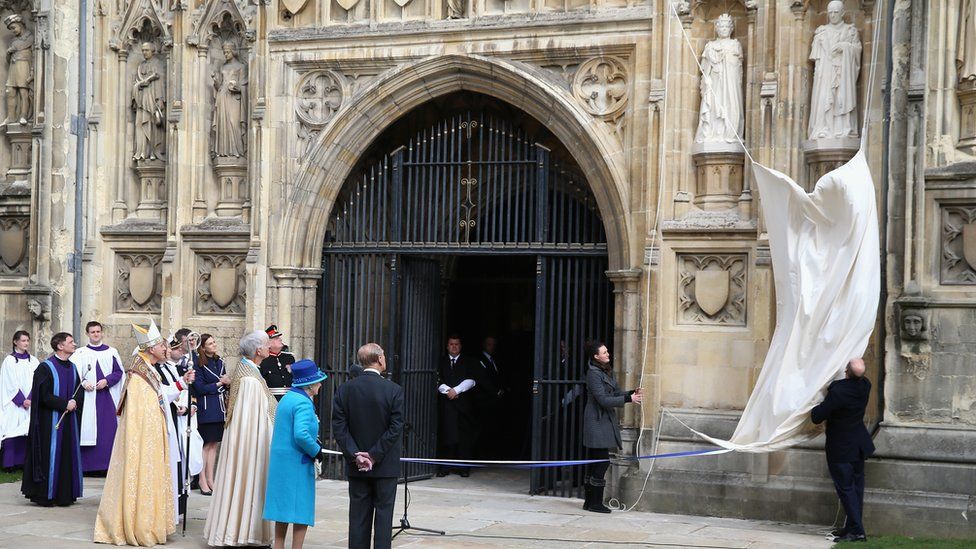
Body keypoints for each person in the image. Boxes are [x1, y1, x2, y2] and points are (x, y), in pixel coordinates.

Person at [94, 319, 195, 545]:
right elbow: (143, 410)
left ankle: (148, 521)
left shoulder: (149, 369)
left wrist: (181, 383)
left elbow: (159, 396)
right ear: (151, 349)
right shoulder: (139, 373)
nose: (166, 349)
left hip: (153, 434)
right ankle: (139, 525)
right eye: (162, 346)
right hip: (143, 438)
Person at [204, 330, 278, 547]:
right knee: (248, 481)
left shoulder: (249, 371)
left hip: (247, 441)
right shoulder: (249, 380)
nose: (269, 347)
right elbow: (253, 420)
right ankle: (244, 534)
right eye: (266, 344)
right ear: (258, 350)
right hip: (249, 446)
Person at [332, 343, 404, 549]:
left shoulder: (345, 389)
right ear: (380, 359)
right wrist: (373, 455)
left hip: (357, 465)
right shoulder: (394, 390)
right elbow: (395, 427)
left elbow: (339, 427)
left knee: (358, 519)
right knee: (383, 520)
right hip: (385, 465)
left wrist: (357, 455)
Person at [264, 359, 328, 549]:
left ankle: (279, 546)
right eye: (318, 381)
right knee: (301, 511)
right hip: (297, 463)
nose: (320, 384)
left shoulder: (288, 397)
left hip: (282, 462)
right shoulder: (303, 403)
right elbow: (301, 434)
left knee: (282, 509)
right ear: (310, 385)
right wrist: (316, 451)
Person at [811, 358, 875, 543]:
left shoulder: (838, 391)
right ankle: (852, 527)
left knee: (846, 489)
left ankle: (857, 532)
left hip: (841, 447)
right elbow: (851, 381)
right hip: (858, 445)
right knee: (856, 489)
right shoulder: (865, 385)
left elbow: (817, 416)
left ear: (846, 371)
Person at [21, 332, 84, 506]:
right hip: (50, 423)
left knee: (66, 456)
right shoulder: (45, 367)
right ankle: (46, 494)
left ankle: (65, 494)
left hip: (68, 421)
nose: (75, 344)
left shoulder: (73, 367)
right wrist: (64, 404)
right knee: (51, 456)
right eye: (71, 342)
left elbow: (79, 391)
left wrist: (75, 402)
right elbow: (43, 396)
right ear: (60, 346)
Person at [581, 340, 642, 513]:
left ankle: (590, 502)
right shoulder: (593, 373)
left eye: (607, 351)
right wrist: (629, 400)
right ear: (596, 356)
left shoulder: (606, 371)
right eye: (604, 352)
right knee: (601, 462)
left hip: (604, 421)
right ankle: (594, 503)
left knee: (597, 462)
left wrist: (631, 393)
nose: (608, 354)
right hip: (596, 422)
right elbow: (603, 400)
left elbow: (614, 393)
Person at [71, 321, 125, 474]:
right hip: (87, 398)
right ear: (87, 334)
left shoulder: (111, 351)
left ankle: (107, 467)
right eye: (93, 332)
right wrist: (83, 382)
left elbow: (118, 372)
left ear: (102, 333)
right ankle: (88, 467)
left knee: (107, 430)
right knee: (88, 429)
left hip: (106, 397)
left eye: (98, 331)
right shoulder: (80, 353)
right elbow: (74, 373)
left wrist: (107, 381)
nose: (96, 334)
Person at [191, 333, 227, 495]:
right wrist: (220, 383)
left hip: (219, 408)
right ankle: (201, 479)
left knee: (214, 445)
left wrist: (224, 384)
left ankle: (211, 478)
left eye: (214, 342)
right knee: (205, 445)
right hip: (206, 408)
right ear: (203, 347)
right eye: (210, 343)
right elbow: (199, 388)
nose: (214, 345)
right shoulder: (198, 363)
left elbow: (225, 385)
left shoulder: (220, 362)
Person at [436, 334, 476, 477]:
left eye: (457, 344)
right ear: (447, 346)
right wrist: (448, 391)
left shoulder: (468, 361)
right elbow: (436, 378)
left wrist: (457, 390)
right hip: (446, 406)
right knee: (446, 436)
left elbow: (472, 380)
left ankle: (463, 468)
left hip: (463, 406)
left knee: (464, 438)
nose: (454, 347)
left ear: (461, 346)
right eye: (451, 344)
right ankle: (444, 468)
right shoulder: (440, 361)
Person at [0, 330, 39, 468]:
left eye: (27, 340)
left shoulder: (34, 361)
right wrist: (22, 400)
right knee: (12, 430)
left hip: (31, 402)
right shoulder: (9, 361)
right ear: (15, 342)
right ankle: (10, 464)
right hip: (14, 403)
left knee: (29, 431)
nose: (26, 343)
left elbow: (38, 381)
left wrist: (31, 398)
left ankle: (25, 463)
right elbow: (9, 383)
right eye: (23, 340)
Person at [475, 336, 505, 458]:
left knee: (493, 428)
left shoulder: (495, 360)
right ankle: (482, 455)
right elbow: (483, 380)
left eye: (493, 344)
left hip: (495, 402)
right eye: (489, 344)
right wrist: (495, 392)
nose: (491, 347)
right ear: (484, 345)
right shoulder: (479, 360)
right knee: (483, 429)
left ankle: (491, 453)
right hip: (484, 402)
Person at [259, 324, 295, 401]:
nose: (280, 339)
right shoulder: (263, 360)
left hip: (290, 398)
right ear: (269, 343)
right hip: (272, 399)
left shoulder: (289, 358)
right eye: (276, 338)